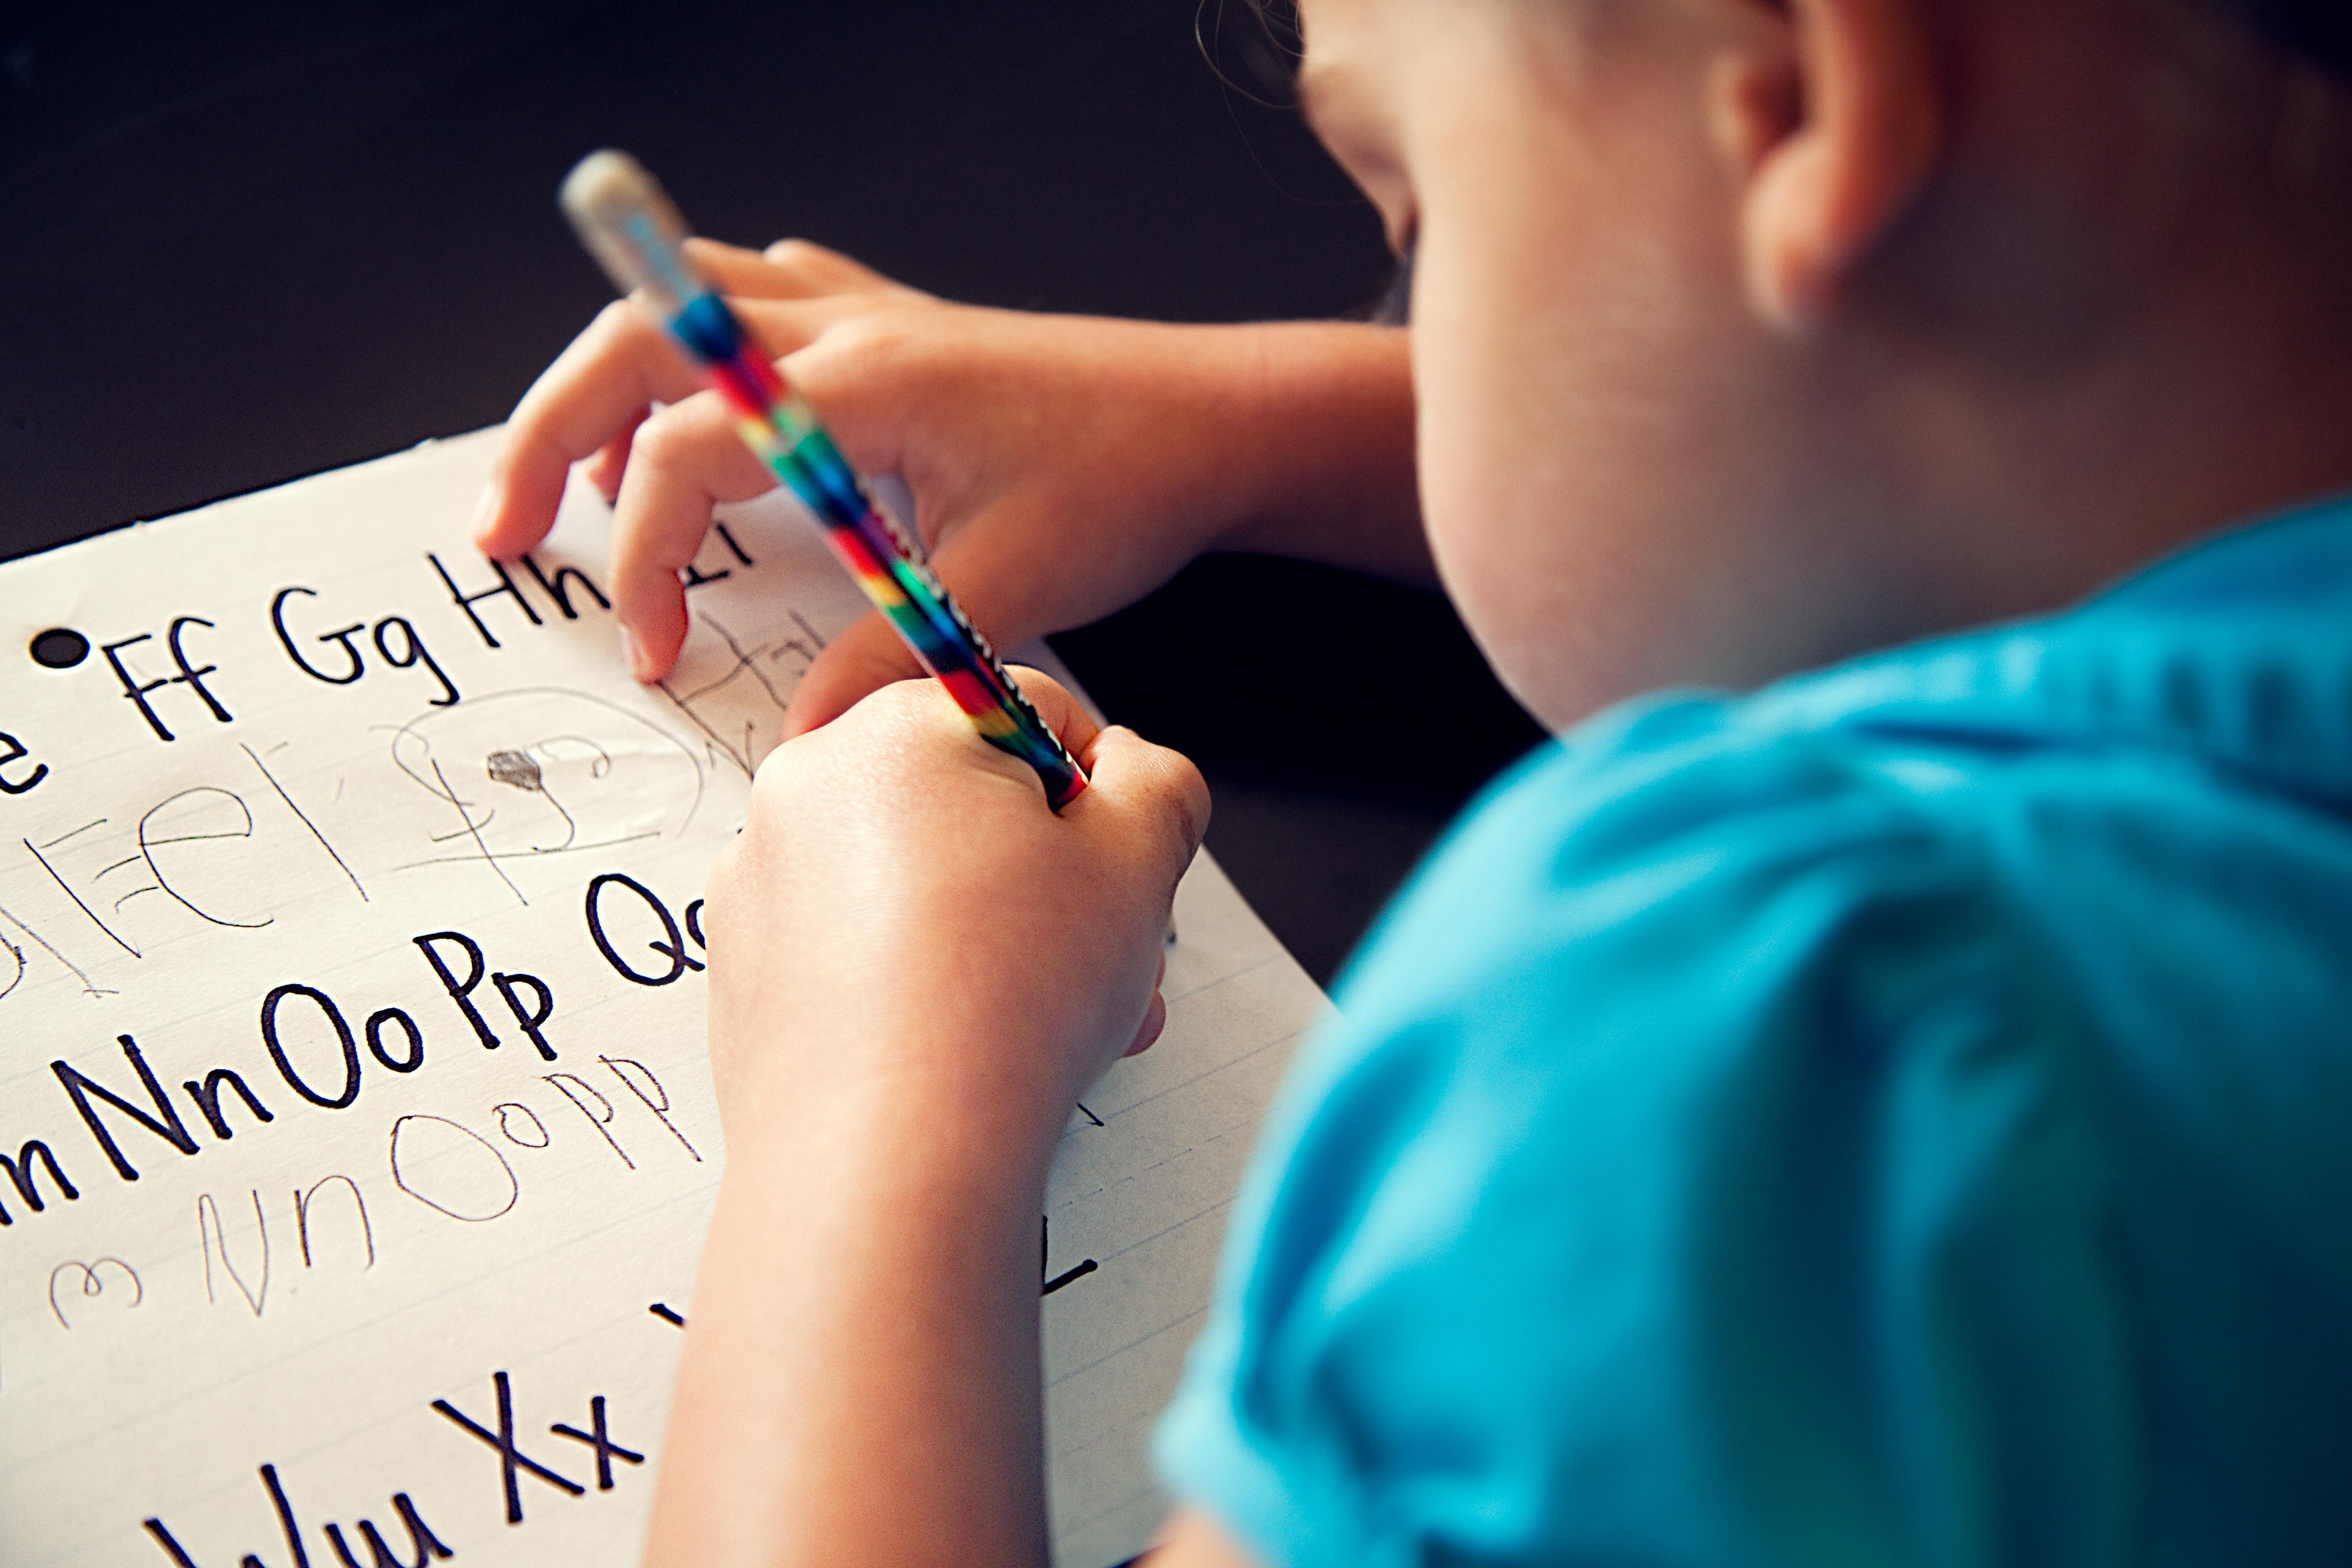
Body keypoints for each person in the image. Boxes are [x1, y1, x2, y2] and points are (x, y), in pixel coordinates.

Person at [474, 0, 2352, 1561]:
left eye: (1419, 222)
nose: (1408, 318)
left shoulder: (1801, 1049)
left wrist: (874, 1115)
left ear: (1799, 97)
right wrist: (1255, 422)